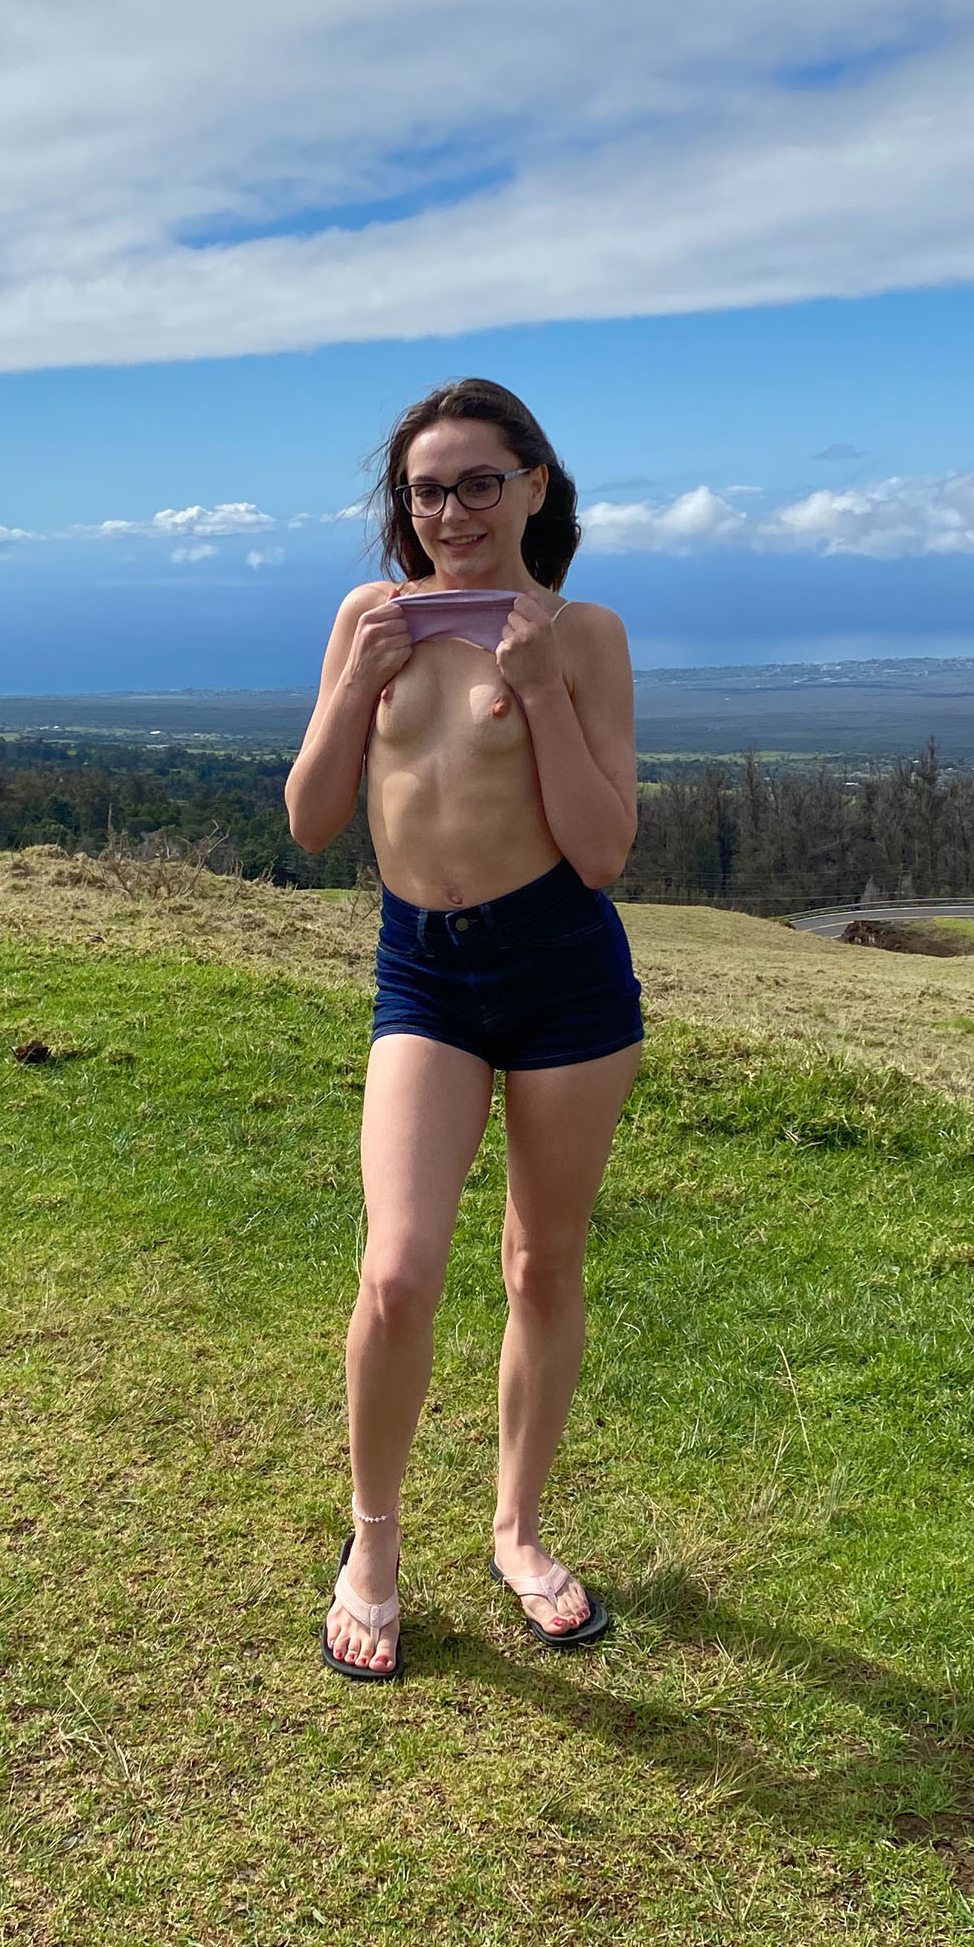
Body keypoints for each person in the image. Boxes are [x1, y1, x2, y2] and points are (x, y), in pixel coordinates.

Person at [285, 378, 643, 1681]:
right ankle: (372, 1546)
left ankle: (517, 1530)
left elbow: (603, 852)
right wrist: (356, 684)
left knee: (542, 1266)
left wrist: (538, 689)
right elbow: (312, 820)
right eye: (427, 490)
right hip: (424, 973)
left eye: (480, 483)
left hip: (564, 975)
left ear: (534, 487)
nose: (452, 512)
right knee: (396, 1271)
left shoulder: (584, 637)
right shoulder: (365, 618)